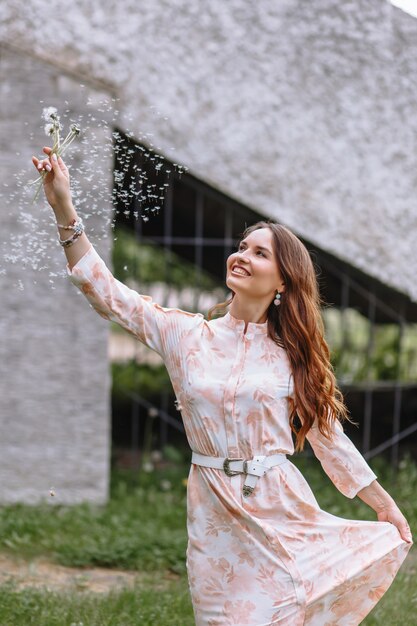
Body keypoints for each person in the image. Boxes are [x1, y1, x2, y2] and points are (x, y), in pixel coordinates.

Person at [32, 147, 413, 626]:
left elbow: (330, 440)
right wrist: (62, 207)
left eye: (260, 253)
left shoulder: (293, 357)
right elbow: (107, 294)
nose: (242, 256)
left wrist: (386, 507)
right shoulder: (185, 334)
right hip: (213, 513)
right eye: (242, 247)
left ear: (282, 281)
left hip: (280, 510)